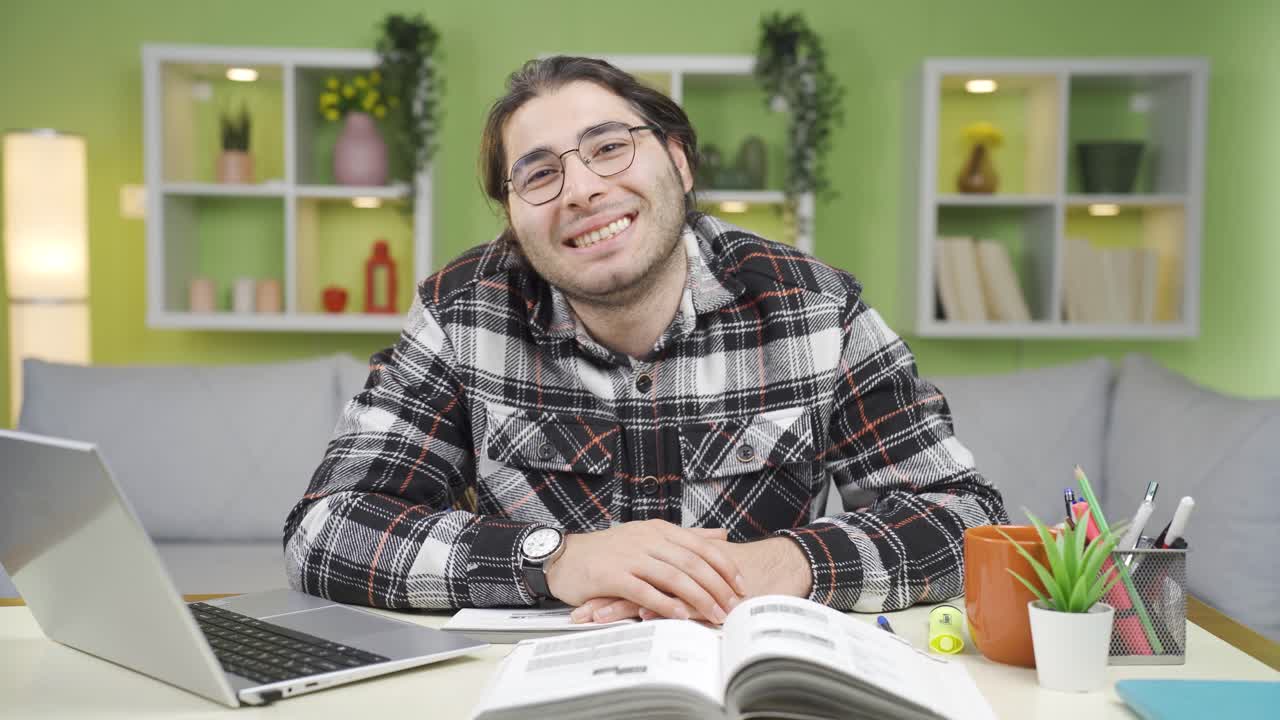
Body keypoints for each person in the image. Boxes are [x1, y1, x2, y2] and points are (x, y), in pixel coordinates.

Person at [283, 56, 1007, 626]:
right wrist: (557, 561)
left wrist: (790, 565)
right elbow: (325, 529)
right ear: (512, 213)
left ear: (680, 163)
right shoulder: (461, 315)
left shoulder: (815, 308)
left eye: (608, 147)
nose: (581, 190)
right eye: (539, 173)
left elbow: (968, 517)